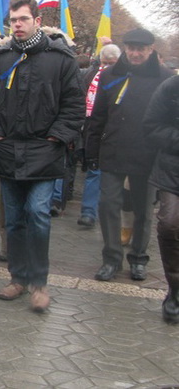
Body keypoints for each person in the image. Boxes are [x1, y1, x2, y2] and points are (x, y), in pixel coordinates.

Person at [0, 0, 83, 312]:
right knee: (13, 219)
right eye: (13, 21)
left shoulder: (61, 59)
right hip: (8, 150)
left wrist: (58, 137)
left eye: (23, 19)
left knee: (38, 214)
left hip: (45, 151)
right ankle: (18, 278)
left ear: (37, 20)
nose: (18, 25)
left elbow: (74, 105)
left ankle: (39, 283)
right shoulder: (0, 59)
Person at [86, 28, 173, 282]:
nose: (135, 54)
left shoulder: (165, 78)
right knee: (108, 204)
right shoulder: (110, 74)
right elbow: (98, 115)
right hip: (113, 150)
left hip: (147, 154)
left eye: (141, 49)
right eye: (131, 48)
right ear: (125, 49)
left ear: (150, 50)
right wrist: (90, 149)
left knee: (143, 209)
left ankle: (138, 258)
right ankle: (111, 259)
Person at [143, 75, 179, 324]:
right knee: (169, 224)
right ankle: (175, 287)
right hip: (172, 170)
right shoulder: (171, 87)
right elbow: (152, 126)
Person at [76, 43, 121, 228]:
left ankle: (97, 212)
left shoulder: (125, 78)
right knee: (95, 170)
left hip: (111, 132)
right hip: (95, 129)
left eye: (111, 63)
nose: (108, 67)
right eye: (106, 63)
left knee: (103, 173)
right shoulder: (91, 76)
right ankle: (89, 211)